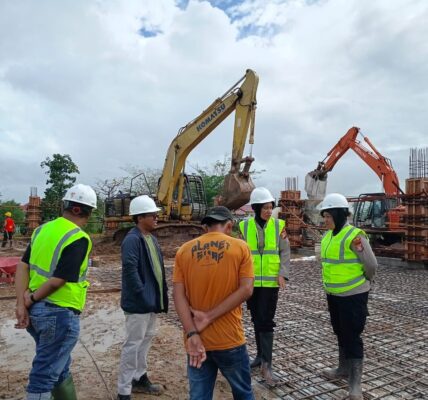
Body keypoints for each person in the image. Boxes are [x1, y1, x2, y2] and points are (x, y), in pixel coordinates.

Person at [14, 183, 98, 400]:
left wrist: (21, 304)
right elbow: (58, 280)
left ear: (66, 205)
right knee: (43, 376)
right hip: (59, 313)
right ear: (84, 211)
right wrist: (30, 299)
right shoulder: (78, 237)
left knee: (59, 367)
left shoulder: (41, 230)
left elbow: (22, 266)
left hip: (36, 314)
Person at [173, 206, 255, 400]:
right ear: (229, 225)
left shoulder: (184, 251)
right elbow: (246, 289)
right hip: (230, 339)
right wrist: (208, 317)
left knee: (199, 396)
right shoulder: (240, 247)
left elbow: (177, 295)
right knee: (243, 393)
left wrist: (191, 333)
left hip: (196, 340)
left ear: (205, 227)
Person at [317, 193, 377, 400]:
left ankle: (355, 385)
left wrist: (365, 282)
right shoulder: (328, 236)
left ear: (339, 214)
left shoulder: (354, 236)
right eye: (324, 216)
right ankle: (342, 369)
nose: (325, 220)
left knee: (352, 337)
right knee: (340, 332)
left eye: (328, 216)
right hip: (334, 295)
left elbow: (371, 264)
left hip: (353, 295)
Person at [117, 195, 168, 400]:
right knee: (133, 344)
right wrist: (142, 293)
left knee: (145, 341)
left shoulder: (150, 239)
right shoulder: (132, 240)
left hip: (151, 302)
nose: (156, 217)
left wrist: (156, 297)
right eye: (152, 215)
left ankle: (139, 378)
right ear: (139, 218)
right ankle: (124, 390)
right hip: (139, 303)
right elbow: (130, 269)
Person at [238, 187, 290, 386]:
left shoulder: (279, 226)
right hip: (251, 282)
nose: (269, 211)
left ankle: (267, 364)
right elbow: (241, 254)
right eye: (265, 207)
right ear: (256, 208)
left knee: (266, 320)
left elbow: (285, 251)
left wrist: (282, 273)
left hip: (269, 282)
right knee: (256, 318)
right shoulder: (244, 226)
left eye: (271, 207)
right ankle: (260, 357)